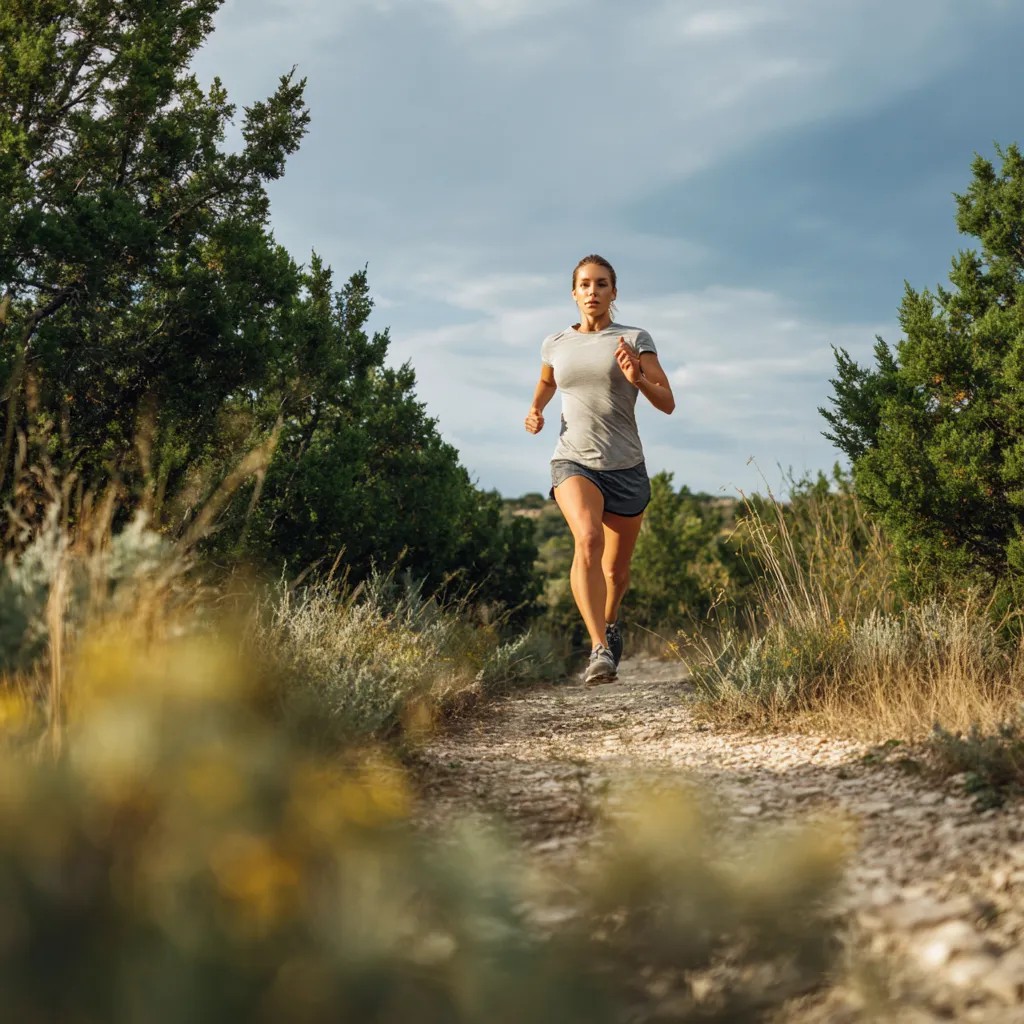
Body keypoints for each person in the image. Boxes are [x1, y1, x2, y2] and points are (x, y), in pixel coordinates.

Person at [524, 255, 675, 684]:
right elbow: (549, 381)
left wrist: (638, 379)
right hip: (573, 458)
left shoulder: (634, 338)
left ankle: (609, 623)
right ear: (574, 293)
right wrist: (535, 409)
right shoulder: (555, 342)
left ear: (614, 292)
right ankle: (599, 649)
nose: (593, 292)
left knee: (615, 572)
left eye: (602, 284)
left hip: (625, 465)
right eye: (585, 285)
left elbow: (667, 401)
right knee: (587, 539)